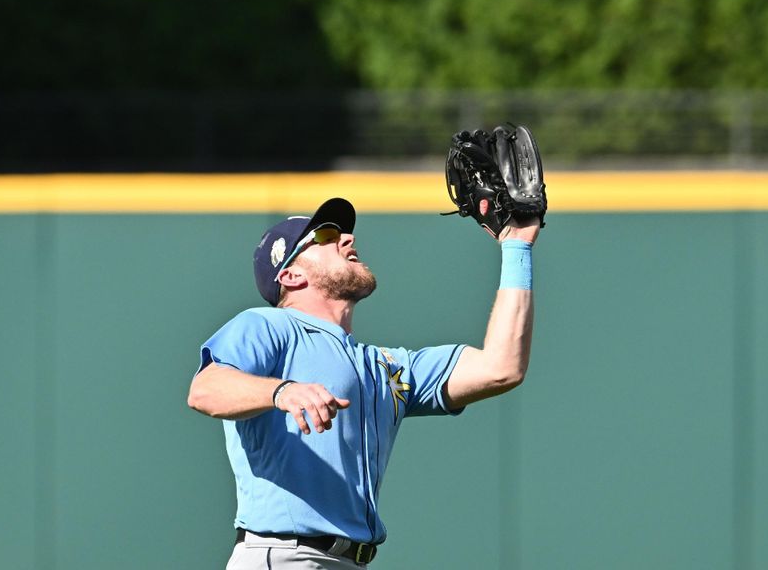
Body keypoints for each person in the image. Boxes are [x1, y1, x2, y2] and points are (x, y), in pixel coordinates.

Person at [187, 196, 540, 569]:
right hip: (287, 556)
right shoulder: (268, 325)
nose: (347, 239)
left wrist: (516, 246)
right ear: (291, 275)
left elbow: (501, 368)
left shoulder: (383, 366)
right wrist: (281, 391)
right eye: (325, 235)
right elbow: (205, 389)